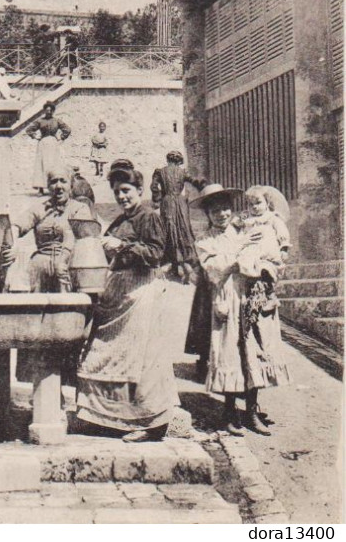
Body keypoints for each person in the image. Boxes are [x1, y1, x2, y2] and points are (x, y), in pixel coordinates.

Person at [76, 161, 177, 442]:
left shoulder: (149, 217)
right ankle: (109, 419)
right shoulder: (119, 221)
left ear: (139, 190)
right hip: (118, 295)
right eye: (117, 192)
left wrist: (122, 246)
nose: (122, 197)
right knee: (105, 353)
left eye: (126, 190)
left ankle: (151, 424)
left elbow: (157, 253)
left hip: (140, 293)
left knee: (141, 359)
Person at [194, 183, 290, 436]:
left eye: (225, 209)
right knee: (228, 353)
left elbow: (266, 252)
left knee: (253, 351)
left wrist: (268, 270)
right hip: (226, 298)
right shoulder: (205, 241)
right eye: (216, 211)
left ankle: (252, 411)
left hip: (250, 297)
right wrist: (239, 254)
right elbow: (214, 271)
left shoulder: (245, 228)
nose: (222, 214)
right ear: (208, 214)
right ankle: (228, 412)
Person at [2, 166, 91, 293]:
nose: (58, 186)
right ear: (48, 187)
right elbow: (17, 226)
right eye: (54, 182)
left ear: (71, 185)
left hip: (67, 264)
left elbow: (77, 236)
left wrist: (63, 261)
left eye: (63, 181)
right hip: (40, 265)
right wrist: (13, 244)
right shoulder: (40, 209)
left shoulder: (80, 208)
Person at [151, 150, 202, 281]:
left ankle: (172, 262)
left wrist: (157, 198)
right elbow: (194, 181)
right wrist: (201, 185)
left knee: (169, 228)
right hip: (180, 202)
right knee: (183, 228)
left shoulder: (160, 171)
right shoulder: (182, 172)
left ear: (168, 159)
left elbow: (153, 186)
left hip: (167, 201)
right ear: (179, 161)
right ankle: (186, 260)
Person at [26, 102, 71, 194]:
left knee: (53, 165)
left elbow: (67, 129)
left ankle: (54, 188)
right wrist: (35, 136)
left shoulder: (57, 120)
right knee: (41, 165)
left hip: (53, 144)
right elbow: (29, 130)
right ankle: (41, 188)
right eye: (47, 110)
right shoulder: (40, 121)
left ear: (53, 111)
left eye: (50, 110)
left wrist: (62, 137)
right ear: (44, 111)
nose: (49, 112)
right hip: (43, 144)